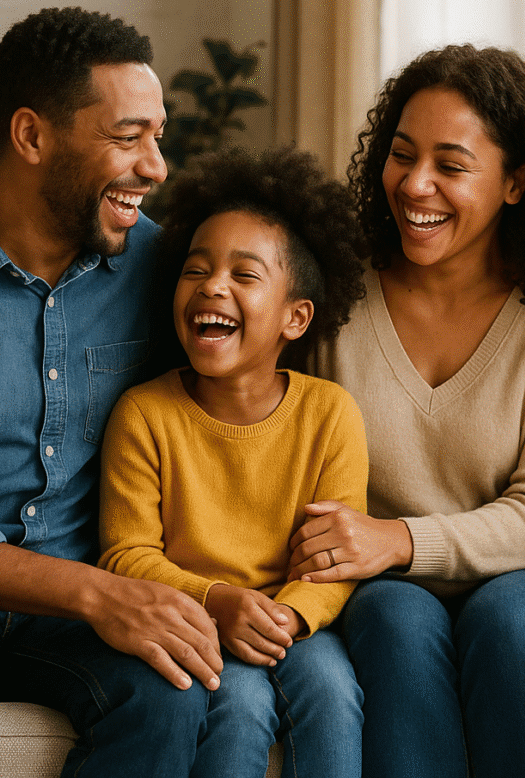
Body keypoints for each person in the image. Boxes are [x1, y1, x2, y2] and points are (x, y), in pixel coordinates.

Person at [287, 44, 525, 778]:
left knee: (505, 622)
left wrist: (398, 540)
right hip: (382, 580)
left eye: (451, 165)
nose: (415, 184)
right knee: (391, 618)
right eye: (402, 155)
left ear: (515, 181)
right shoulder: (336, 292)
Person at [0, 7, 223, 778]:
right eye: (128, 137)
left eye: (159, 134)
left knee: (171, 690)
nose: (157, 166)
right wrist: (95, 595)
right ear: (31, 136)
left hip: (84, 605)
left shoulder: (165, 273)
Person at [98, 147, 368, 778]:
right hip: (196, 619)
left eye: (245, 276)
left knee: (333, 694)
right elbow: (125, 554)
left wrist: (288, 616)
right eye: (196, 270)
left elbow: (338, 555)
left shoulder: (330, 413)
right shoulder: (144, 414)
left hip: (293, 620)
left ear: (295, 318)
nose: (212, 286)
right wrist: (218, 602)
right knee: (239, 706)